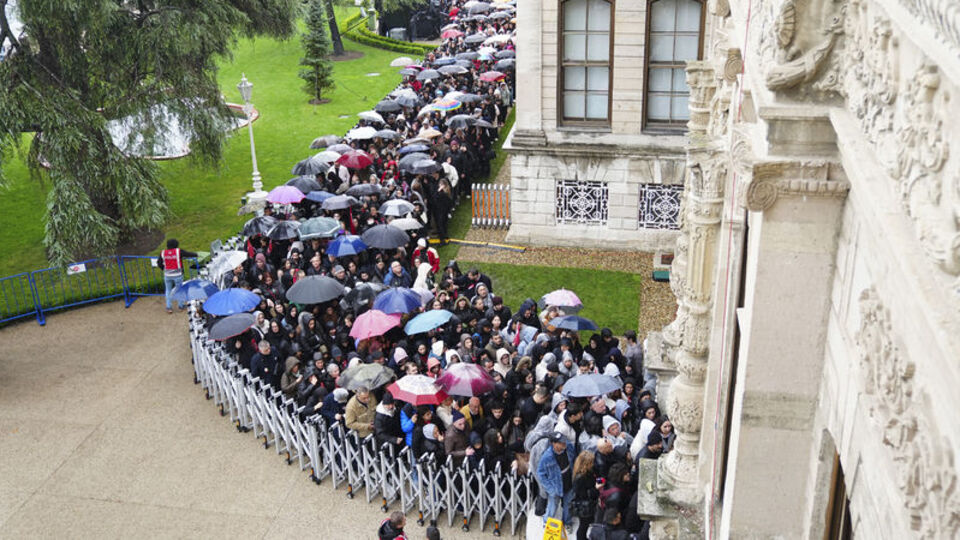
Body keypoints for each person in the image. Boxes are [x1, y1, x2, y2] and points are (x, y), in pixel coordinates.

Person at [538, 431, 576, 524]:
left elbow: (574, 459)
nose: (564, 443)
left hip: (569, 483)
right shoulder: (547, 457)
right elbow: (541, 474)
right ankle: (546, 523)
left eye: (564, 441)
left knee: (568, 505)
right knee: (552, 507)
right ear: (553, 444)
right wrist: (551, 490)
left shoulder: (569, 447)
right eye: (560, 442)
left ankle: (567, 522)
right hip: (556, 487)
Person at [157, 238, 197, 313]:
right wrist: (196, 254)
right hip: (178, 274)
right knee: (179, 290)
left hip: (167, 275)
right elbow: (188, 254)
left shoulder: (163, 253)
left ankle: (169, 307)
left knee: (168, 290)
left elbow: (159, 263)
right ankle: (180, 306)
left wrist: (164, 269)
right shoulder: (178, 251)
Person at [572, 450, 600, 540]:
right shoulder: (580, 478)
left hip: (587, 504)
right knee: (583, 525)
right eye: (591, 462)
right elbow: (583, 494)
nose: (593, 464)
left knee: (585, 525)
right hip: (584, 506)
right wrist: (596, 488)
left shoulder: (588, 472)